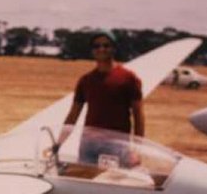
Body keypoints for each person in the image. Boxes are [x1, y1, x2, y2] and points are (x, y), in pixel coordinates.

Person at [56, 31, 144, 166]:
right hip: (89, 143)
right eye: (97, 46)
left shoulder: (129, 78)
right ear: (92, 51)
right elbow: (73, 115)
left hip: (117, 144)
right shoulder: (86, 80)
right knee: (87, 181)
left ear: (114, 48)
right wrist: (59, 143)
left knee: (115, 182)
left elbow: (138, 116)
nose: (101, 49)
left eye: (106, 45)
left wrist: (137, 150)